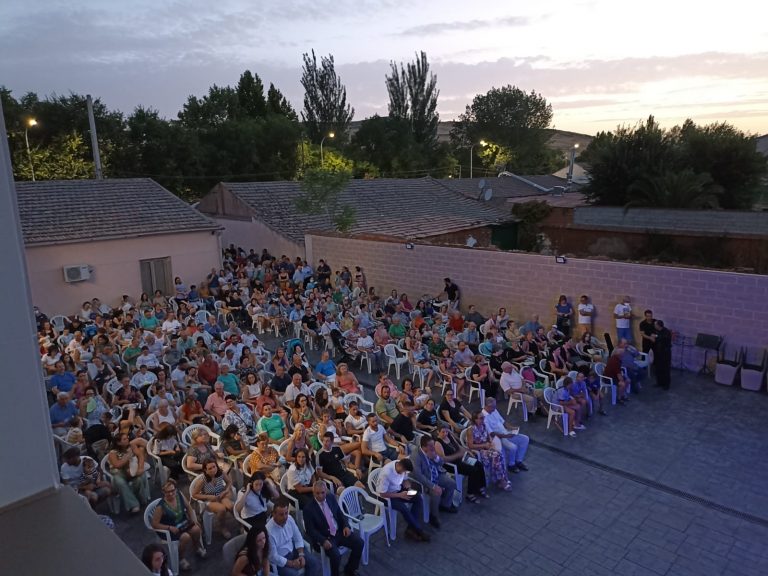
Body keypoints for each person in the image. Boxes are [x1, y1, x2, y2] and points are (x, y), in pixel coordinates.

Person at [303, 481, 364, 576]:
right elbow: (310, 530)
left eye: (323, 492)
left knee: (359, 543)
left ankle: (350, 570)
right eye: (317, 493)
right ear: (313, 493)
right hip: (326, 537)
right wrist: (322, 540)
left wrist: (345, 526)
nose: (320, 496)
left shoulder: (330, 497)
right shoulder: (308, 509)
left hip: (339, 531)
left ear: (325, 491)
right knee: (336, 556)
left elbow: (340, 513)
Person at [151, 479, 205, 571]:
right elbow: (154, 524)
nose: (171, 494)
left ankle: (196, 548)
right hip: (170, 528)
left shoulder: (179, 495)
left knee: (196, 529)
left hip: (183, 523)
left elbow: (188, 507)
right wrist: (169, 527)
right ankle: (181, 558)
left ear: (176, 490)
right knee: (185, 537)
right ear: (163, 492)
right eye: (167, 492)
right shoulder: (161, 506)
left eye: (172, 491)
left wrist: (193, 519)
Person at [375, 458, 430, 542]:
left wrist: (408, 486)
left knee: (418, 497)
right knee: (404, 508)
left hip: (400, 491)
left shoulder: (401, 467)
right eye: (404, 471)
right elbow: (382, 494)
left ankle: (410, 529)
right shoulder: (386, 474)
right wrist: (400, 495)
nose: (404, 473)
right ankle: (418, 530)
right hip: (387, 497)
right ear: (401, 467)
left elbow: (405, 480)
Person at [410, 436, 458, 528]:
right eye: (431, 445)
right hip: (424, 481)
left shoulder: (432, 450)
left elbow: (441, 463)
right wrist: (433, 486)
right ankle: (434, 516)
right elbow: (419, 476)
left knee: (451, 483)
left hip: (436, 474)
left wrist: (435, 457)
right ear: (424, 447)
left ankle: (445, 504)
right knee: (436, 492)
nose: (433, 447)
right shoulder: (416, 456)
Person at [267, 498, 321, 576]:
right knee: (293, 574)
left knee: (314, 563)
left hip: (293, 549)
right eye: (281, 514)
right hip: (281, 559)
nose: (285, 517)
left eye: (286, 513)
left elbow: (298, 537)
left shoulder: (289, 519)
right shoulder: (269, 531)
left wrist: (301, 555)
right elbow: (273, 556)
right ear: (274, 514)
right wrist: (291, 563)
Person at [434, 424, 487, 502]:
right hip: (452, 464)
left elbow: (459, 447)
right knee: (473, 470)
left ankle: (480, 487)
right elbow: (444, 459)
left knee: (478, 464)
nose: (445, 434)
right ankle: (470, 493)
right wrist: (458, 455)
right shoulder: (438, 443)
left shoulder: (449, 437)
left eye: (446, 432)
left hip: (461, 459)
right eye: (443, 432)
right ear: (438, 432)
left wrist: (468, 451)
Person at [482, 397, 530, 473]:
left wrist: (511, 428)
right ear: (488, 406)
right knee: (513, 447)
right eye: (493, 407)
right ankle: (511, 465)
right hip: (499, 438)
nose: (495, 408)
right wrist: (506, 436)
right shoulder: (483, 417)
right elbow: (492, 434)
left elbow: (503, 421)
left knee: (525, 439)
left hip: (506, 433)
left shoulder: (494, 410)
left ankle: (518, 461)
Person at [466, 411, 511, 492]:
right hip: (478, 450)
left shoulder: (484, 426)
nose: (483, 419)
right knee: (496, 456)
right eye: (481, 418)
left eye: (483, 417)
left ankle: (501, 478)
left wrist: (490, 443)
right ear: (475, 420)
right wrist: (484, 446)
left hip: (486, 448)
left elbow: (488, 438)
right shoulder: (470, 430)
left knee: (499, 455)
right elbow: (470, 446)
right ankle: (501, 480)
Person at [107, 432, 150, 513]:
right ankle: (134, 505)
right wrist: (127, 457)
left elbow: (140, 455)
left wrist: (140, 468)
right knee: (120, 481)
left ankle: (142, 499)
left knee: (139, 478)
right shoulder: (112, 453)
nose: (127, 440)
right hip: (119, 473)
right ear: (118, 442)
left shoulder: (131, 446)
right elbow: (117, 465)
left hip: (131, 469)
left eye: (127, 438)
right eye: (124, 439)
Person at [190, 459, 234, 539]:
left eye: (214, 467)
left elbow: (229, 482)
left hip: (221, 495)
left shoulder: (221, 473)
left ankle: (241, 524)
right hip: (209, 499)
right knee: (222, 509)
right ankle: (222, 527)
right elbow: (194, 494)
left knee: (231, 506)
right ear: (205, 470)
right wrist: (208, 497)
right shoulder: (202, 480)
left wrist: (226, 491)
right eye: (210, 468)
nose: (213, 469)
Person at [654, 320, 672, 390]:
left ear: (658, 325)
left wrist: (656, 336)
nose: (654, 326)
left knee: (665, 369)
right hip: (658, 353)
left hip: (665, 353)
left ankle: (666, 385)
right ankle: (659, 382)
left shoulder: (666, 332)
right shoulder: (657, 331)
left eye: (655, 325)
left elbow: (663, 338)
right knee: (658, 368)